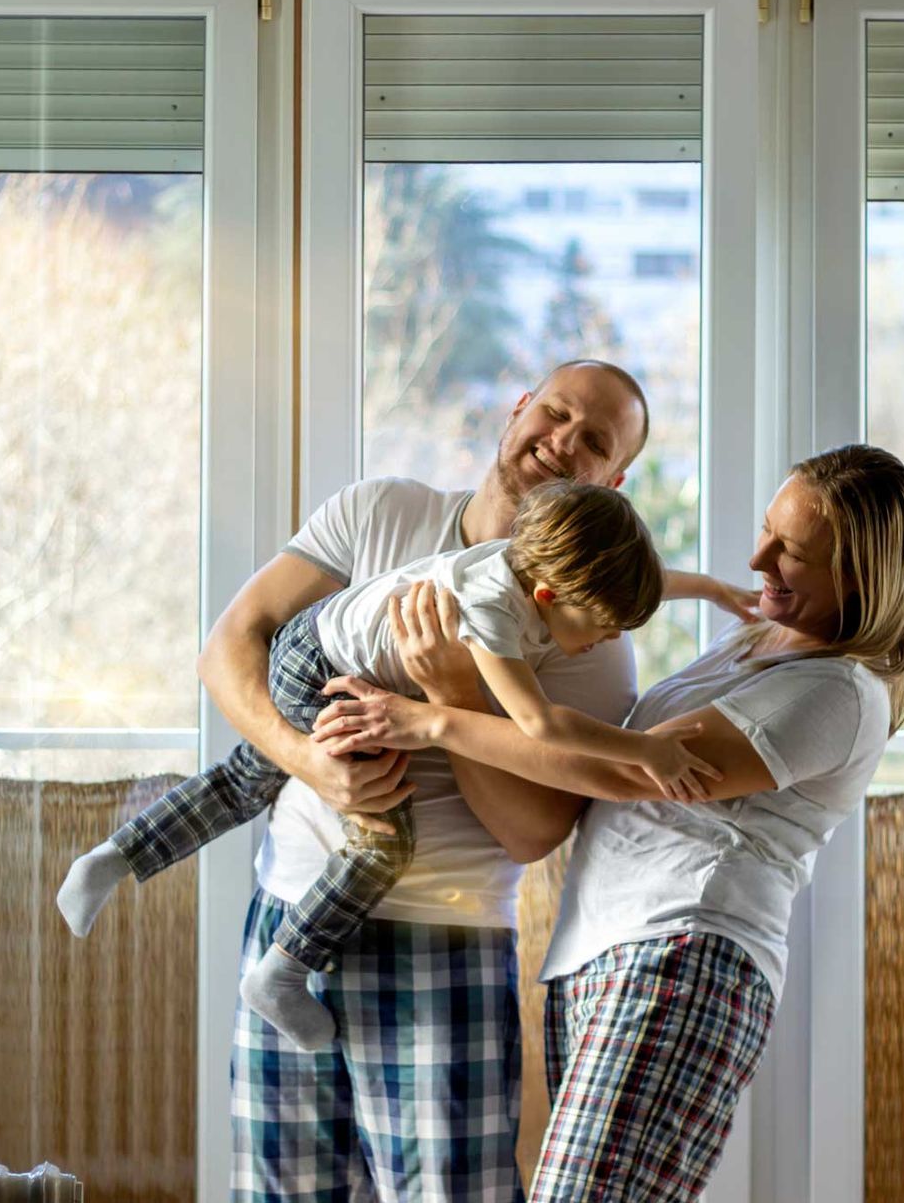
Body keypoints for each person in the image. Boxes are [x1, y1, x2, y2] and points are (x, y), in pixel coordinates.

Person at [58, 359, 753, 1203]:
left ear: (613, 481)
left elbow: (534, 833)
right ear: (520, 408)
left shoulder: (595, 634)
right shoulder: (382, 511)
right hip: (287, 906)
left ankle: (122, 858)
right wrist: (311, 761)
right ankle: (213, 925)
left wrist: (453, 694)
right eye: (557, 413)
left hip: (442, 946)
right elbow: (230, 646)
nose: (561, 441)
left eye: (594, 440)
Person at [309, 443, 904, 1202]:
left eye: (791, 551)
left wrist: (433, 717)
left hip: (685, 952)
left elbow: (627, 771)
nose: (759, 555)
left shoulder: (835, 691)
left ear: (860, 576)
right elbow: (616, 593)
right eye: (768, 529)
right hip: (603, 952)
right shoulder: (755, 644)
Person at [57, 480, 725, 1052]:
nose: (607, 643)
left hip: (315, 643)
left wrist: (715, 591)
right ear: (549, 598)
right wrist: (646, 749)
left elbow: (634, 584)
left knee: (244, 778)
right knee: (382, 843)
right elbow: (541, 726)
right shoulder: (490, 612)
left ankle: (115, 857)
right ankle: (282, 974)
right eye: (604, 629)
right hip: (326, 670)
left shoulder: (528, 564)